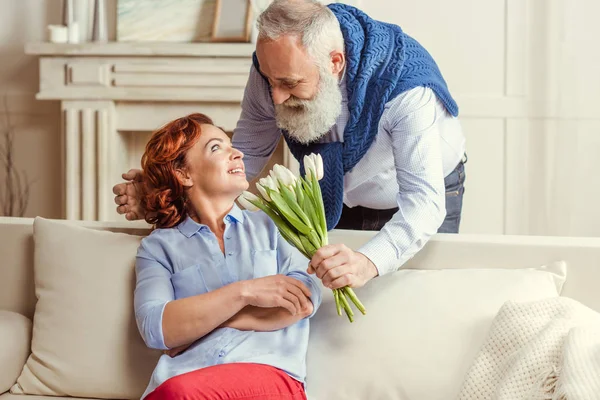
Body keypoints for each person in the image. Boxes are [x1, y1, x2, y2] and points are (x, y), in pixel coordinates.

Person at [114, 0, 466, 295]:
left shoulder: (406, 88)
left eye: (289, 84)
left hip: (424, 194)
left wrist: (368, 261)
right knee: (336, 309)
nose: (276, 97)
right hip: (339, 193)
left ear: (334, 63)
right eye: (270, 81)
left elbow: (423, 203)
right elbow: (246, 153)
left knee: (416, 299)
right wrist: (165, 188)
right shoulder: (272, 69)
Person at [134, 113, 321, 400]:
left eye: (230, 144)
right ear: (184, 174)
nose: (237, 153)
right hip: (183, 378)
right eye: (216, 148)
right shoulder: (158, 248)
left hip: (270, 378)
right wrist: (246, 292)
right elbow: (156, 328)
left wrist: (207, 323)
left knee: (178, 394)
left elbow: (302, 301)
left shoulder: (275, 225)